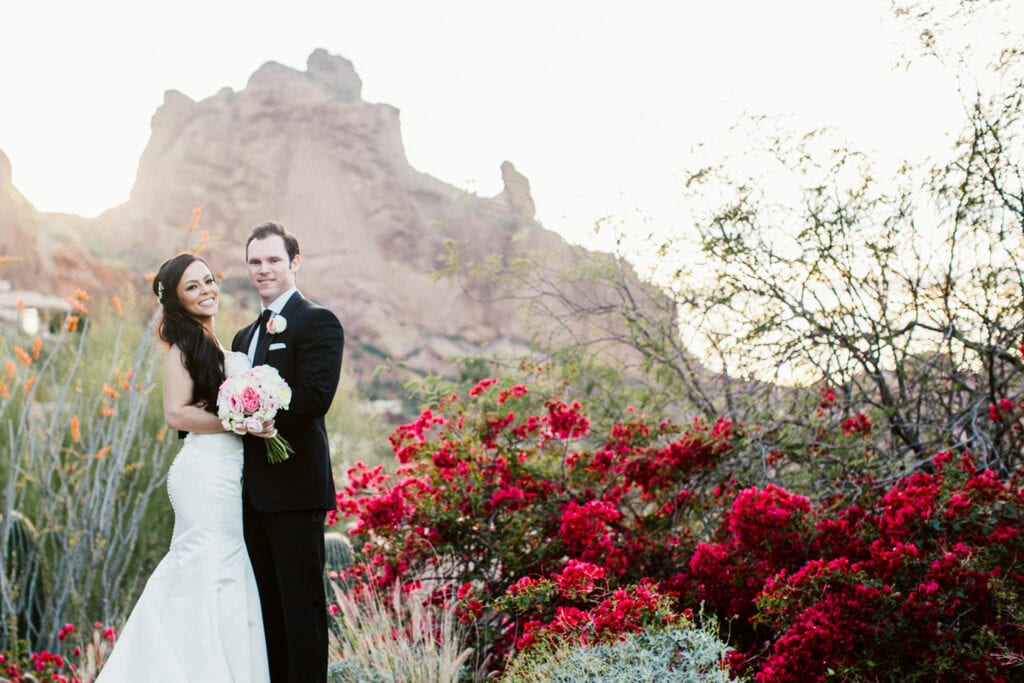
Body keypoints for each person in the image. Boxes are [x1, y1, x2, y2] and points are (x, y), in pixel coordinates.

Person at [97, 253, 271, 682]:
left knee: (224, 567)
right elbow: (176, 414)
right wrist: (237, 423)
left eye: (208, 280)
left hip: (227, 472)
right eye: (192, 287)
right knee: (207, 565)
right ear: (176, 300)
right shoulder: (182, 347)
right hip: (206, 474)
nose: (206, 290)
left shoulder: (211, 342)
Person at [231, 221, 344, 683]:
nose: (264, 270)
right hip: (251, 495)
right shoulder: (242, 337)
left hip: (296, 491)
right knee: (266, 613)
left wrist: (262, 407)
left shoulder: (317, 321)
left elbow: (316, 396)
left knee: (302, 613)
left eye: (274, 260)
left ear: (294, 263)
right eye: (255, 262)